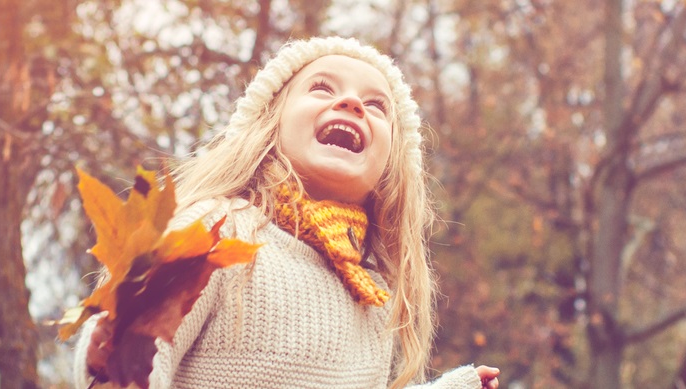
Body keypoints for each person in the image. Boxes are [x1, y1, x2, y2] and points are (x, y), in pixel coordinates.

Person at [74, 36, 500, 389]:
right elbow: (136, 351)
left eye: (376, 105)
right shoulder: (215, 230)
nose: (352, 102)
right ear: (269, 125)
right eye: (322, 88)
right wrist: (109, 357)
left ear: (391, 167)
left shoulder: (373, 291)